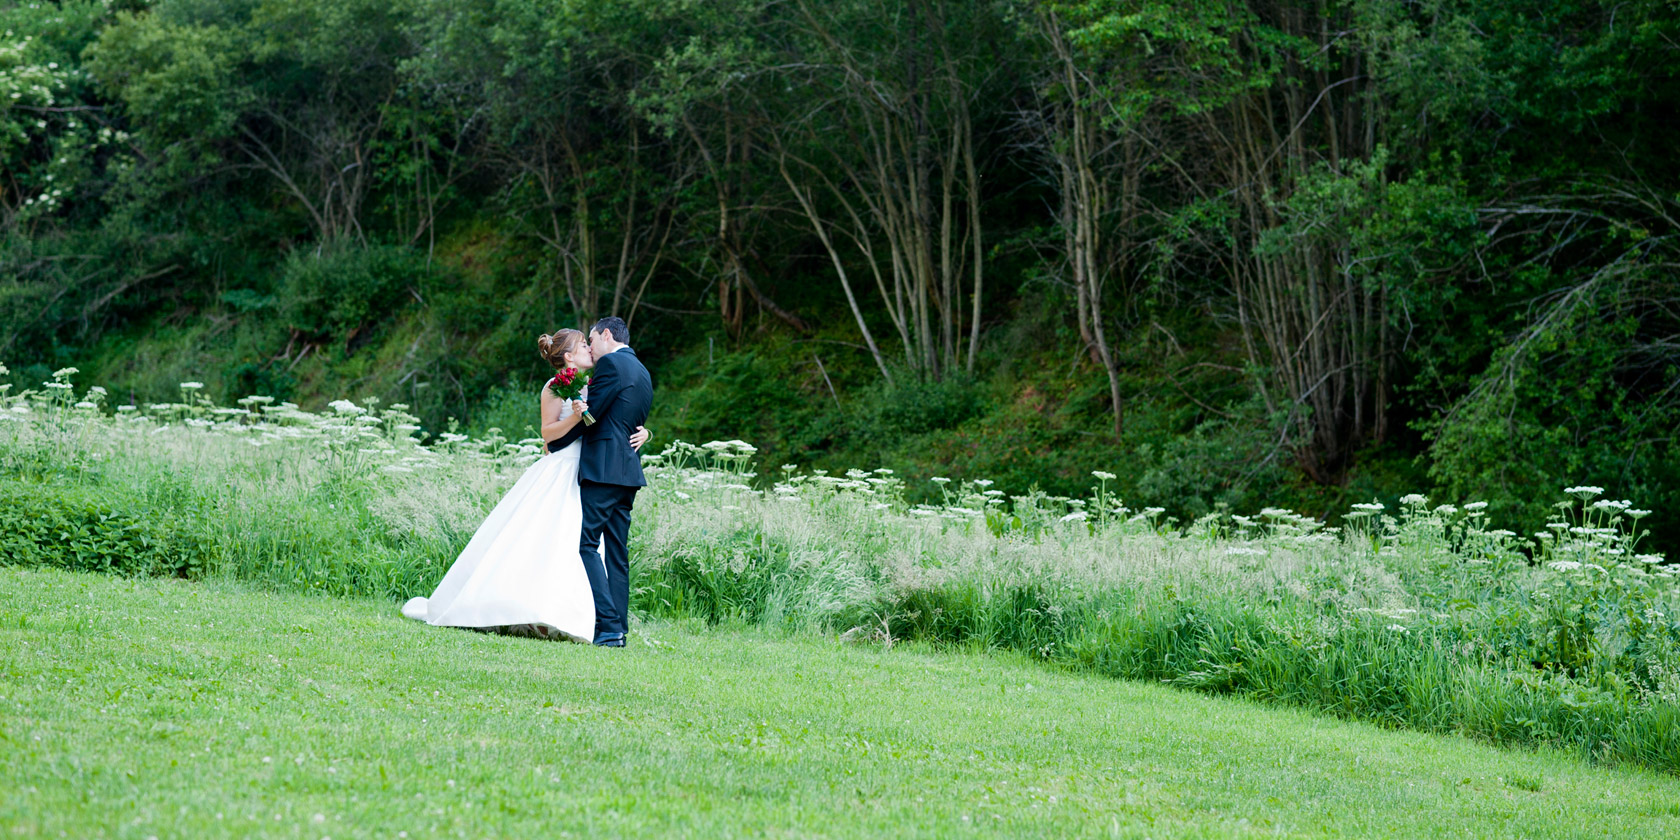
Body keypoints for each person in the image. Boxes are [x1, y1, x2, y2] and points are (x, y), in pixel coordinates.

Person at [400, 327, 649, 641]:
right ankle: (518, 608)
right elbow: (549, 434)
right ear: (569, 356)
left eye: (590, 341)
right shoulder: (553, 387)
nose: (589, 347)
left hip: (589, 472)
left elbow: (615, 417)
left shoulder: (596, 382)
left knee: (580, 543)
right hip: (563, 469)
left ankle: (582, 617)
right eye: (583, 344)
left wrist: (645, 433)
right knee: (545, 538)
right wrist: (577, 416)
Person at [547, 316, 652, 647]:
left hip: (604, 470)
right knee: (617, 551)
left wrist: (556, 444)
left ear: (607, 335)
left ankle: (607, 627)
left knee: (587, 545)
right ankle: (618, 628)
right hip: (628, 473)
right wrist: (648, 433)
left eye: (592, 340)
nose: (591, 347)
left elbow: (592, 418)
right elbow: (628, 420)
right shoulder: (642, 371)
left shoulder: (610, 366)